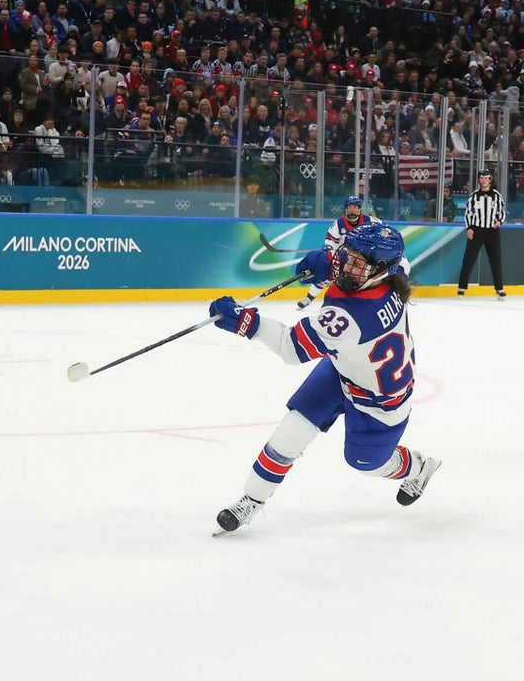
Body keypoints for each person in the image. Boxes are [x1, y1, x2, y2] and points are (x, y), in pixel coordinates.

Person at [211, 223, 441, 534]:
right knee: (289, 433)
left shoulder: (351, 319)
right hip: (343, 368)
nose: (348, 265)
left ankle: (418, 466)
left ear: (380, 271)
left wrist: (245, 322)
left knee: (368, 464)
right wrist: (331, 265)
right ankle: (251, 499)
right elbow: (373, 267)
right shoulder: (395, 271)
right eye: (349, 256)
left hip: (379, 404)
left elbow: (290, 347)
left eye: (359, 263)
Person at [297, 195, 381, 309]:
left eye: (355, 207)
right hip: (344, 256)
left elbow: (384, 231)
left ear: (359, 209)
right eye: (350, 207)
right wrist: (329, 247)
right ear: (346, 209)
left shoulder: (370, 221)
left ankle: (363, 301)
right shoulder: (339, 223)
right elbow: (331, 239)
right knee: (326, 272)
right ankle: (310, 297)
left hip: (363, 257)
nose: (352, 210)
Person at [457, 168, 507, 300]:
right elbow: (468, 213)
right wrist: (469, 228)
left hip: (492, 231)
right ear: (479, 179)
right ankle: (461, 288)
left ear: (490, 179)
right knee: (469, 259)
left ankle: (499, 288)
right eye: (481, 177)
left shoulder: (497, 196)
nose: (483, 180)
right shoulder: (474, 196)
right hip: (477, 230)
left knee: (495, 260)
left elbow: (502, 211)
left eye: (486, 177)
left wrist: (499, 222)